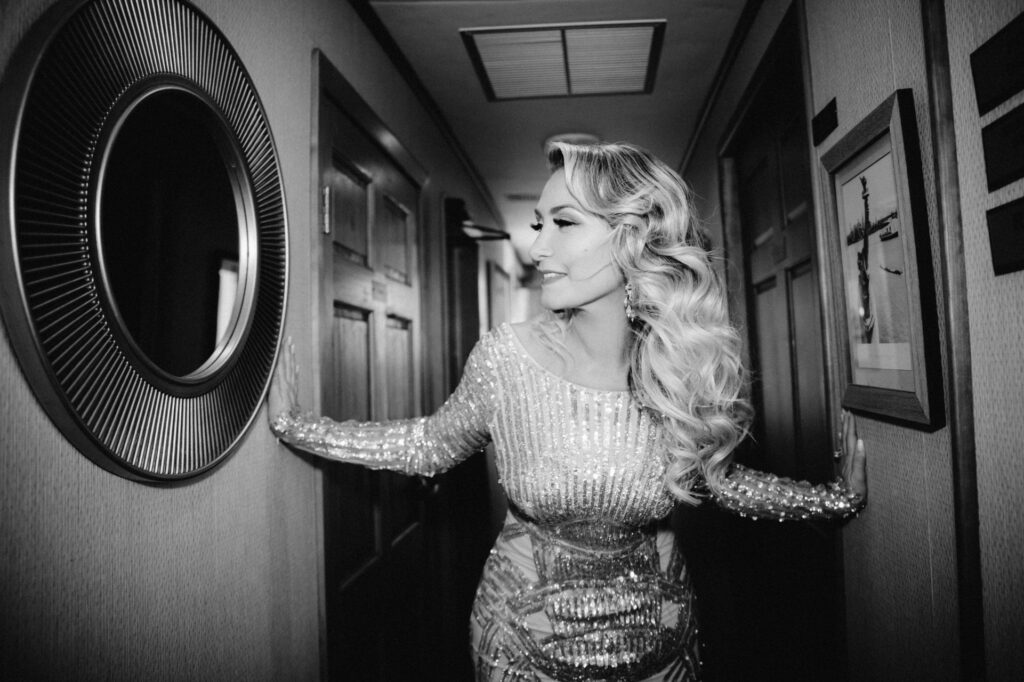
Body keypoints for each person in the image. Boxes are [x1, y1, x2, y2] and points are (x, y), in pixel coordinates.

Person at [269, 141, 867, 681]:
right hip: (523, 641)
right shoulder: (506, 359)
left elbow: (722, 483)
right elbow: (428, 443)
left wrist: (831, 499)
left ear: (632, 236)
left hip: (664, 642)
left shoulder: (677, 367)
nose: (536, 246)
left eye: (563, 223)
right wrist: (298, 425)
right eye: (538, 223)